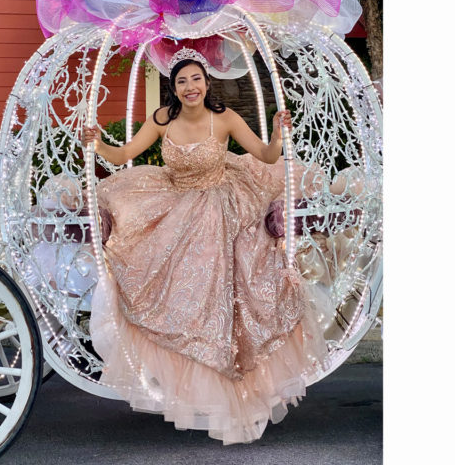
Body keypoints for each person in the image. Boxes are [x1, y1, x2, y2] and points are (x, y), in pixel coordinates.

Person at [80, 48, 330, 444]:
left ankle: (235, 391)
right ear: (174, 89)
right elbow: (123, 154)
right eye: (181, 81)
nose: (190, 86)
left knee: (226, 293)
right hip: (174, 199)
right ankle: (190, 388)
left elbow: (265, 156)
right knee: (176, 289)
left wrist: (279, 135)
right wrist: (98, 145)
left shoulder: (225, 118)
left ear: (207, 83)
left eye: (196, 78)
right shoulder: (163, 119)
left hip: (222, 202)